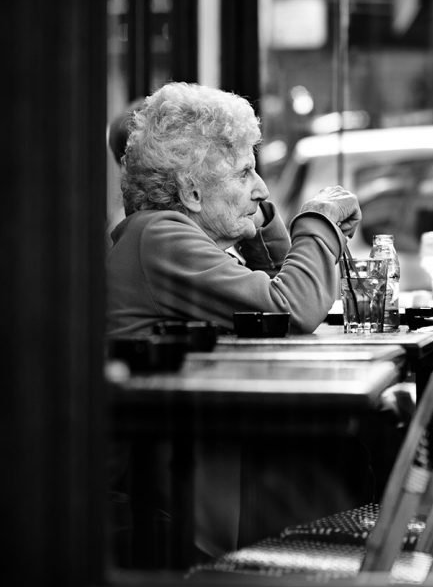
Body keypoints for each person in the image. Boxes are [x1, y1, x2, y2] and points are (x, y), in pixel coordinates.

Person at [106, 81, 363, 558]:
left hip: (193, 478)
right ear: (193, 191)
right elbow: (292, 309)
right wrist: (318, 223)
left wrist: (260, 220)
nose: (262, 187)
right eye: (245, 172)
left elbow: (269, 310)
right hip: (163, 509)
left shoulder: (172, 236)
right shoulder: (158, 237)